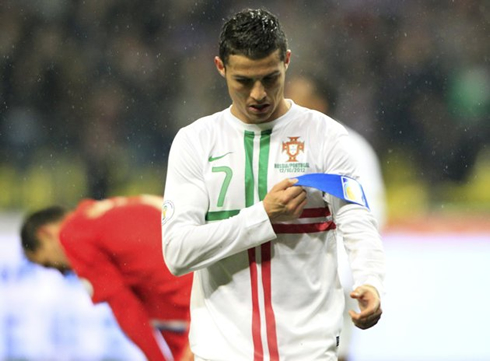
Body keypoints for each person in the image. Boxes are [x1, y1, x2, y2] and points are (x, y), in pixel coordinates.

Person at [161, 8, 385, 361]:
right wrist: (262, 216)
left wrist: (371, 280)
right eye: (243, 81)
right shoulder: (196, 143)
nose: (258, 94)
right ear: (220, 67)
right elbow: (177, 253)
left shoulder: (326, 136)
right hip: (221, 353)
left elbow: (357, 220)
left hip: (309, 351)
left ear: (287, 62)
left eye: (270, 77)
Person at [286, 73, 387, 361]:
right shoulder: (282, 144)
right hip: (288, 276)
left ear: (319, 103)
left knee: (333, 352)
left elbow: (368, 213)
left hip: (334, 274)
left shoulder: (350, 148)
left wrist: (353, 273)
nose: (287, 101)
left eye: (297, 95)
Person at [20, 195, 193, 361]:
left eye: (49, 264)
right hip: (203, 276)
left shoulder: (71, 235)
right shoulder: (100, 213)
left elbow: (125, 308)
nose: (61, 272)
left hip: (193, 300)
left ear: (45, 234)